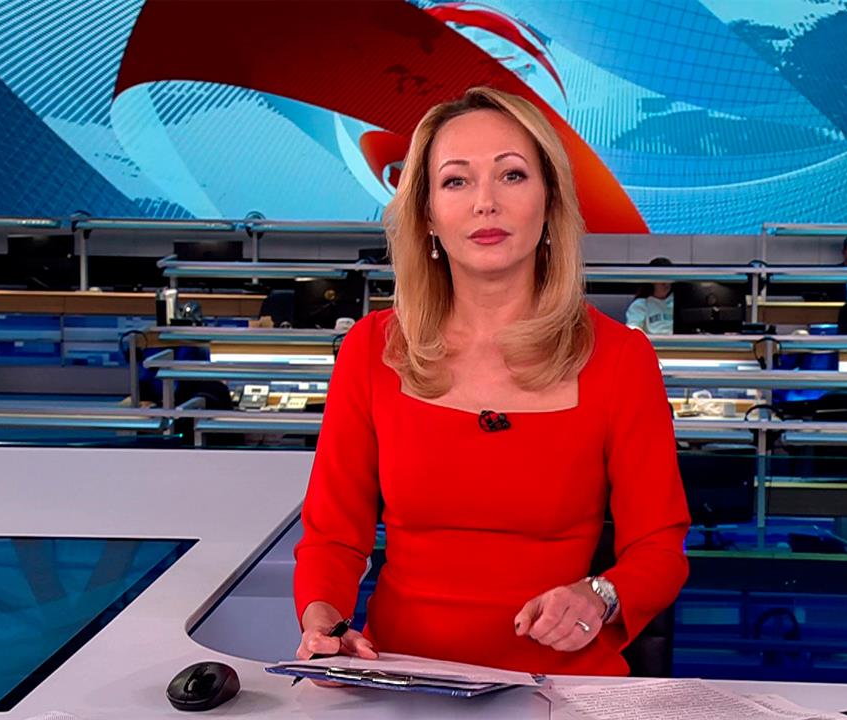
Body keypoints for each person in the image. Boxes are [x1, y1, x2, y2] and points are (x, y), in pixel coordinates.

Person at [293, 87, 689, 676]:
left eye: (512, 175)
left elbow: (658, 548)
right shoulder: (371, 350)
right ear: (427, 213)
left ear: (549, 201)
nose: (486, 203)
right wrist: (324, 624)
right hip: (400, 680)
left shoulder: (620, 359)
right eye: (456, 181)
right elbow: (333, 537)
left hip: (561, 688)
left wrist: (600, 596)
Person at [625, 257, 674, 335]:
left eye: (668, 278)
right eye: (661, 279)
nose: (666, 283)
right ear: (652, 280)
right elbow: (632, 329)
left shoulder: (681, 302)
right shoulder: (640, 304)